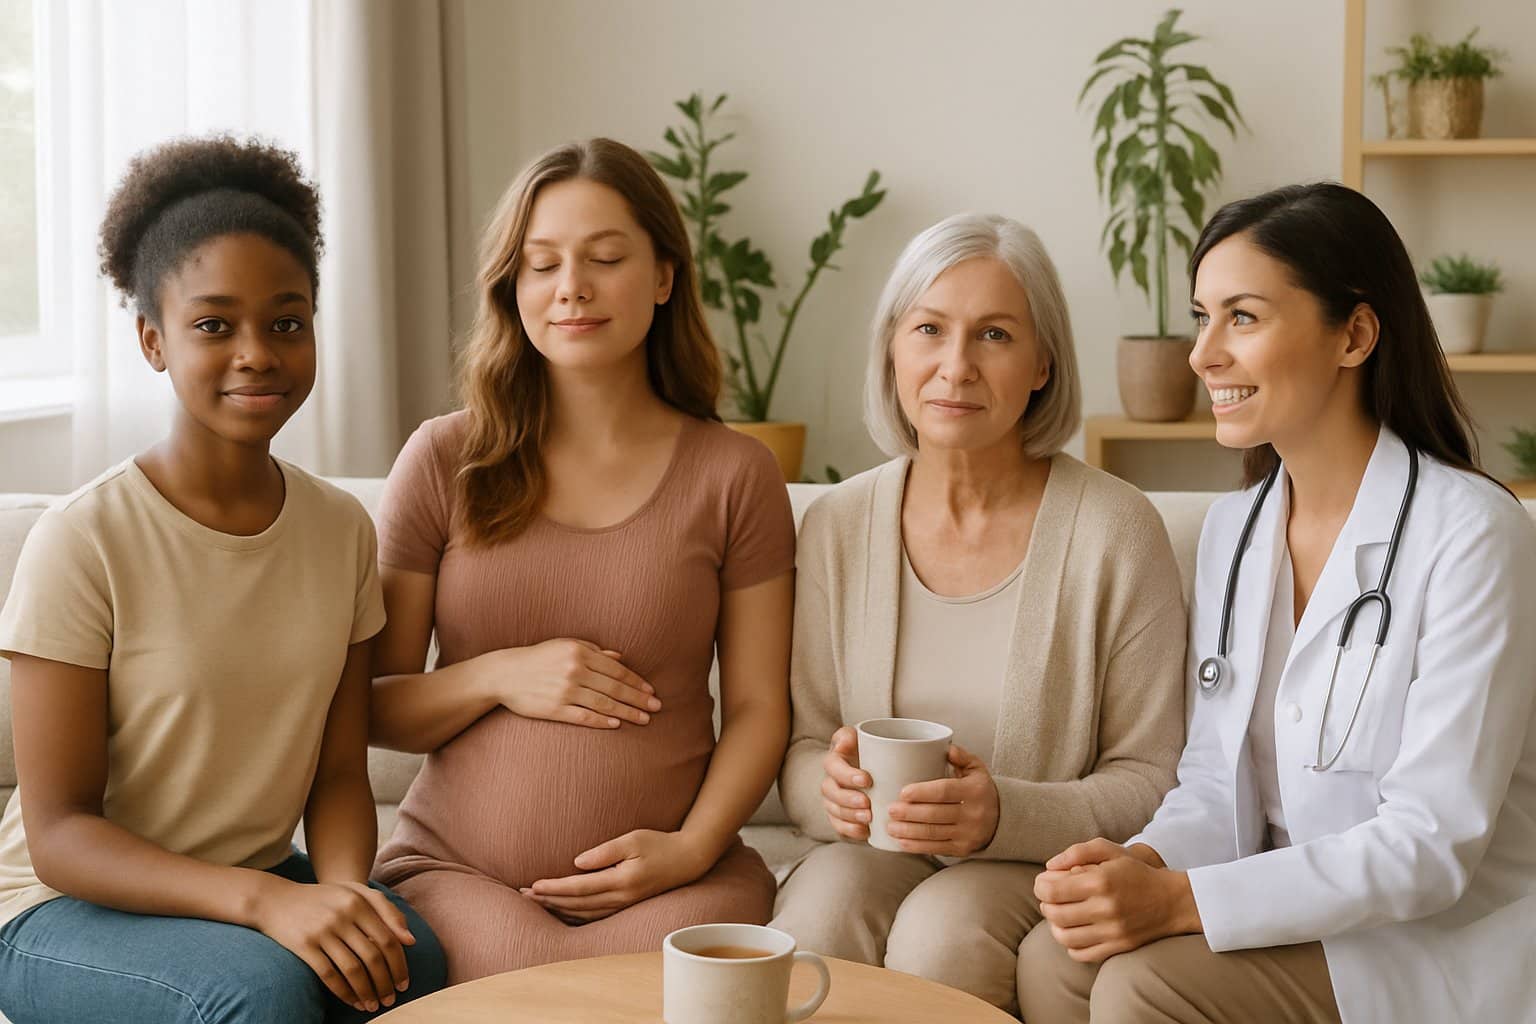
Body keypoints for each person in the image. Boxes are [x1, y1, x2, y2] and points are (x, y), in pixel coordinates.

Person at [1018, 183, 1536, 1024]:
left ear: (1355, 335)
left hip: (1431, 942)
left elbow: (1431, 847)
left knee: (1141, 984)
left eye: (1243, 318)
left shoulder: (1473, 534)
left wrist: (1180, 904)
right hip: (1284, 905)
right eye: (1202, 316)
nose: (1202, 354)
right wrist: (1141, 863)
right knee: (1057, 958)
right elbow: (1219, 779)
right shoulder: (1235, 529)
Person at [0, 135, 445, 1023]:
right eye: (214, 324)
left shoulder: (341, 531)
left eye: (288, 321)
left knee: (413, 962)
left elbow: (339, 776)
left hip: (251, 883)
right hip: (60, 912)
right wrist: (268, 903)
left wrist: (345, 900)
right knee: (260, 993)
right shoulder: (81, 540)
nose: (257, 352)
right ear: (153, 341)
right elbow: (59, 835)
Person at [367, 138, 796, 982]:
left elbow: (756, 708)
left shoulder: (736, 475)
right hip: (457, 878)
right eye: (542, 264)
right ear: (512, 286)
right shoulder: (441, 460)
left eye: (605, 258)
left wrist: (690, 848)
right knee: (536, 978)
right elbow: (373, 705)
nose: (572, 287)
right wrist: (499, 675)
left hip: (677, 888)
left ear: (665, 277)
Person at [771, 213, 1187, 1014]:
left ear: (1042, 364)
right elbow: (804, 747)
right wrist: (828, 792)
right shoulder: (837, 525)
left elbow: (1152, 778)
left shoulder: (1117, 528)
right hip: (873, 853)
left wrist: (1004, 815)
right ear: (893, 348)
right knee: (820, 913)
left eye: (994, 335)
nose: (954, 366)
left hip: (1035, 858)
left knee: (943, 932)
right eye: (929, 328)